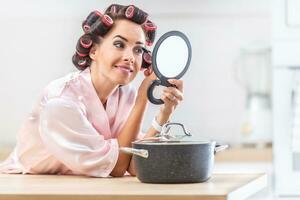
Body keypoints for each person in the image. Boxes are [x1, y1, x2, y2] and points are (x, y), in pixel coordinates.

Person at [0, 4, 183, 177]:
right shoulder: (61, 103)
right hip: (28, 182)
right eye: (119, 44)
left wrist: (165, 112)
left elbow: (135, 164)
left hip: (79, 181)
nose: (130, 57)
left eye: (138, 50)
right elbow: (118, 167)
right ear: (93, 51)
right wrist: (142, 100)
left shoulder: (125, 94)